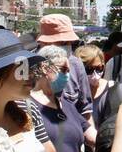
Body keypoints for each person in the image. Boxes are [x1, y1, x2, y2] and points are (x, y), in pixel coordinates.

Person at [36, 14, 96, 145]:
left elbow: (85, 110)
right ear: (44, 43)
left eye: (70, 43)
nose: (68, 47)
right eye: (63, 43)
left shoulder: (76, 64)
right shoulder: (28, 66)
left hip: (72, 141)